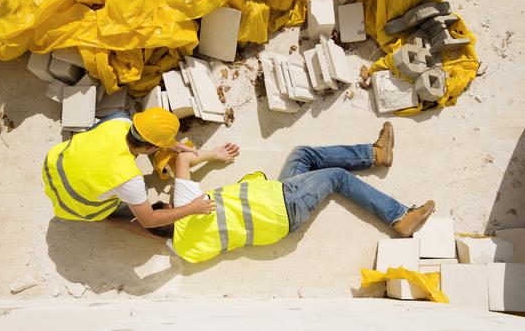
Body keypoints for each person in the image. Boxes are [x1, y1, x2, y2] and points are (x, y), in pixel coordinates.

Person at [165, 122, 435, 263]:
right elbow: (182, 160)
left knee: (302, 155)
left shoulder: (186, 249)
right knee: (337, 177)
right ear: (168, 210)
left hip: (278, 205)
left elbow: (150, 227)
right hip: (283, 205)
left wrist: (147, 223)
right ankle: (399, 217)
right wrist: (214, 154)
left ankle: (376, 153)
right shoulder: (184, 206)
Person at [42, 107, 214, 228]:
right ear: (153, 148)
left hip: (53, 168)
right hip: (76, 206)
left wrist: (172, 144)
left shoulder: (119, 121)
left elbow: (144, 133)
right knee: (142, 193)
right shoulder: (129, 179)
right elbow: (149, 220)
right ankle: (111, 216)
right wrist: (192, 209)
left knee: (116, 115)